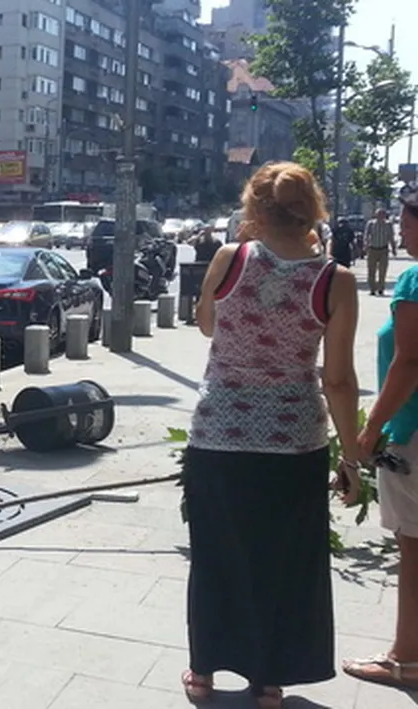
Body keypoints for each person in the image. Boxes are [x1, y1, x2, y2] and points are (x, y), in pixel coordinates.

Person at [181, 162, 362, 708]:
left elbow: (207, 324)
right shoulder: (335, 280)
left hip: (218, 436)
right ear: (313, 211)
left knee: (216, 555)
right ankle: (268, 682)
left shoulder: (229, 259)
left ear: (254, 209)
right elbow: (338, 379)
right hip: (293, 442)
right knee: (283, 560)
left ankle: (205, 670)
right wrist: (351, 457)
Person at [342, 182, 418, 690]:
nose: (402, 228)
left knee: (412, 547)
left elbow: (409, 361)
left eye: (408, 221)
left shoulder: (413, 281)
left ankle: (406, 659)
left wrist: (370, 429)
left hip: (412, 433)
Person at [366, 207, 398, 296]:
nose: (380, 216)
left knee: (382, 270)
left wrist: (394, 248)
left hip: (383, 250)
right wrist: (365, 247)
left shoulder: (388, 224)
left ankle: (381, 288)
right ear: (376, 215)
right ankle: (372, 288)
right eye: (379, 214)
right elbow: (366, 236)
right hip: (372, 249)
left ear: (384, 215)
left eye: (382, 214)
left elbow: (391, 237)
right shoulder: (371, 224)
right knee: (371, 270)